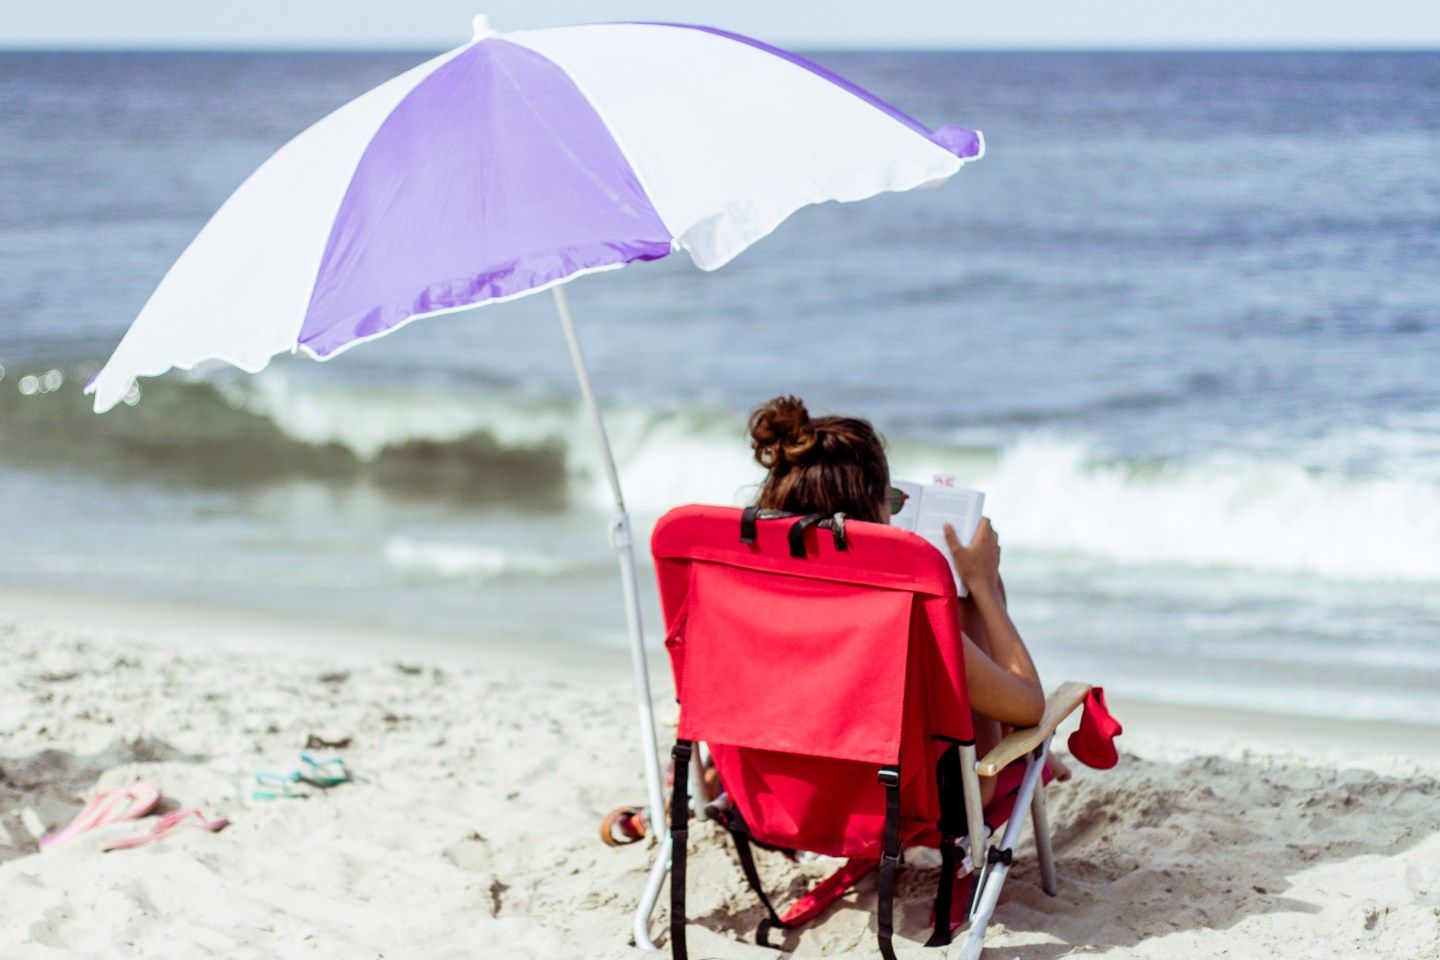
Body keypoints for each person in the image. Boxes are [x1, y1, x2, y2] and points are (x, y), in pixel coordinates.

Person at [749, 395, 1045, 803]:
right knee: (965, 601)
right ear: (870, 509)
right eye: (889, 501)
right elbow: (1030, 706)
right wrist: (985, 586)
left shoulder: (751, 595)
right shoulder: (901, 609)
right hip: (901, 803)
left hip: (780, 793)